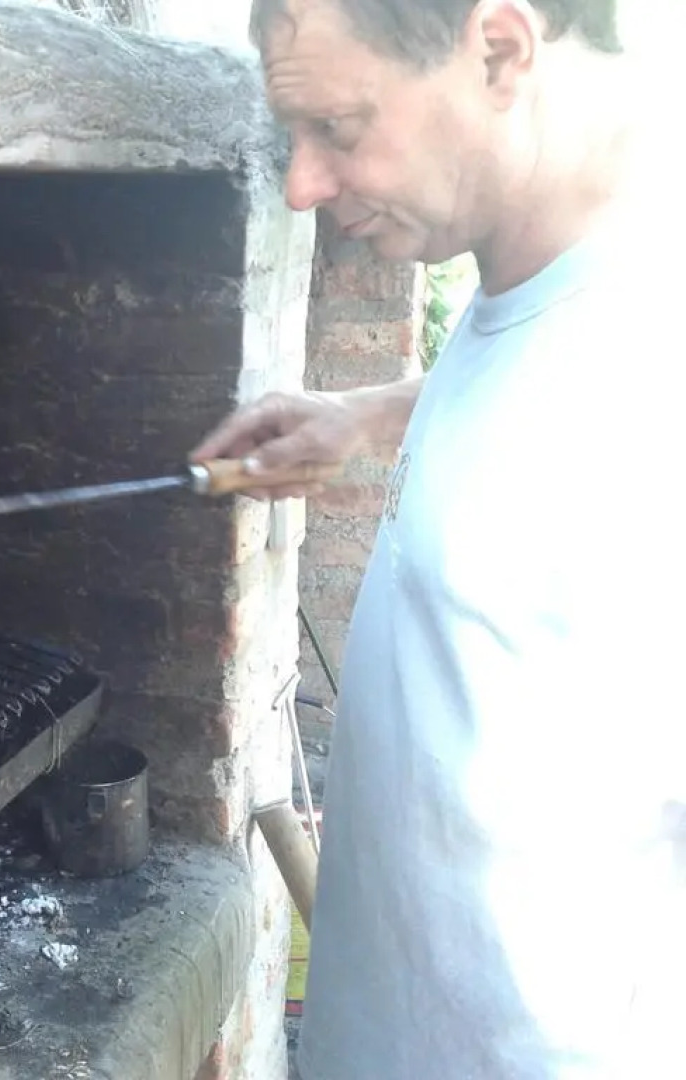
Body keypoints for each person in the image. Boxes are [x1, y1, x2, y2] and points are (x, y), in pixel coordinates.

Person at [190, 2, 684, 1078]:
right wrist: (368, 412)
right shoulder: (548, 257)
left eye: (342, 127)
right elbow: (564, 394)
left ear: (501, 51)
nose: (301, 186)